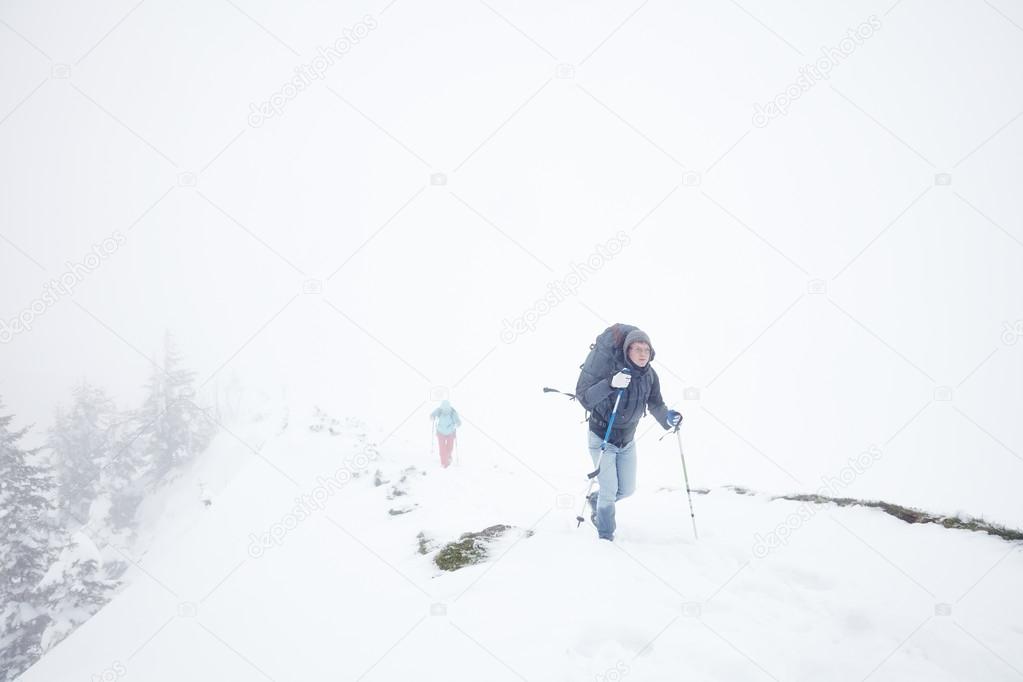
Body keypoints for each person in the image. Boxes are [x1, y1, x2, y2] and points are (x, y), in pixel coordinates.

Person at [577, 328, 681, 541]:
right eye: (637, 349)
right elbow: (586, 398)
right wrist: (610, 384)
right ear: (627, 351)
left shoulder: (650, 375)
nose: (643, 354)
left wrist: (668, 418)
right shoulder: (614, 372)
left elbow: (656, 403)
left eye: (646, 349)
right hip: (602, 438)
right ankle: (605, 535)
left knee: (626, 489)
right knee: (610, 489)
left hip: (627, 440)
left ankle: (595, 500)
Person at [429, 400, 461, 468]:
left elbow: (458, 421)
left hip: (450, 433)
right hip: (440, 432)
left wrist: (457, 423)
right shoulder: (439, 410)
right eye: (444, 409)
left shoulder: (453, 412)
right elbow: (432, 414)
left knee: (450, 448)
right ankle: (444, 463)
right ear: (442, 407)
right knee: (442, 448)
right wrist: (432, 417)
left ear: (449, 407)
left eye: (446, 409)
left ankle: (448, 457)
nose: (445, 411)